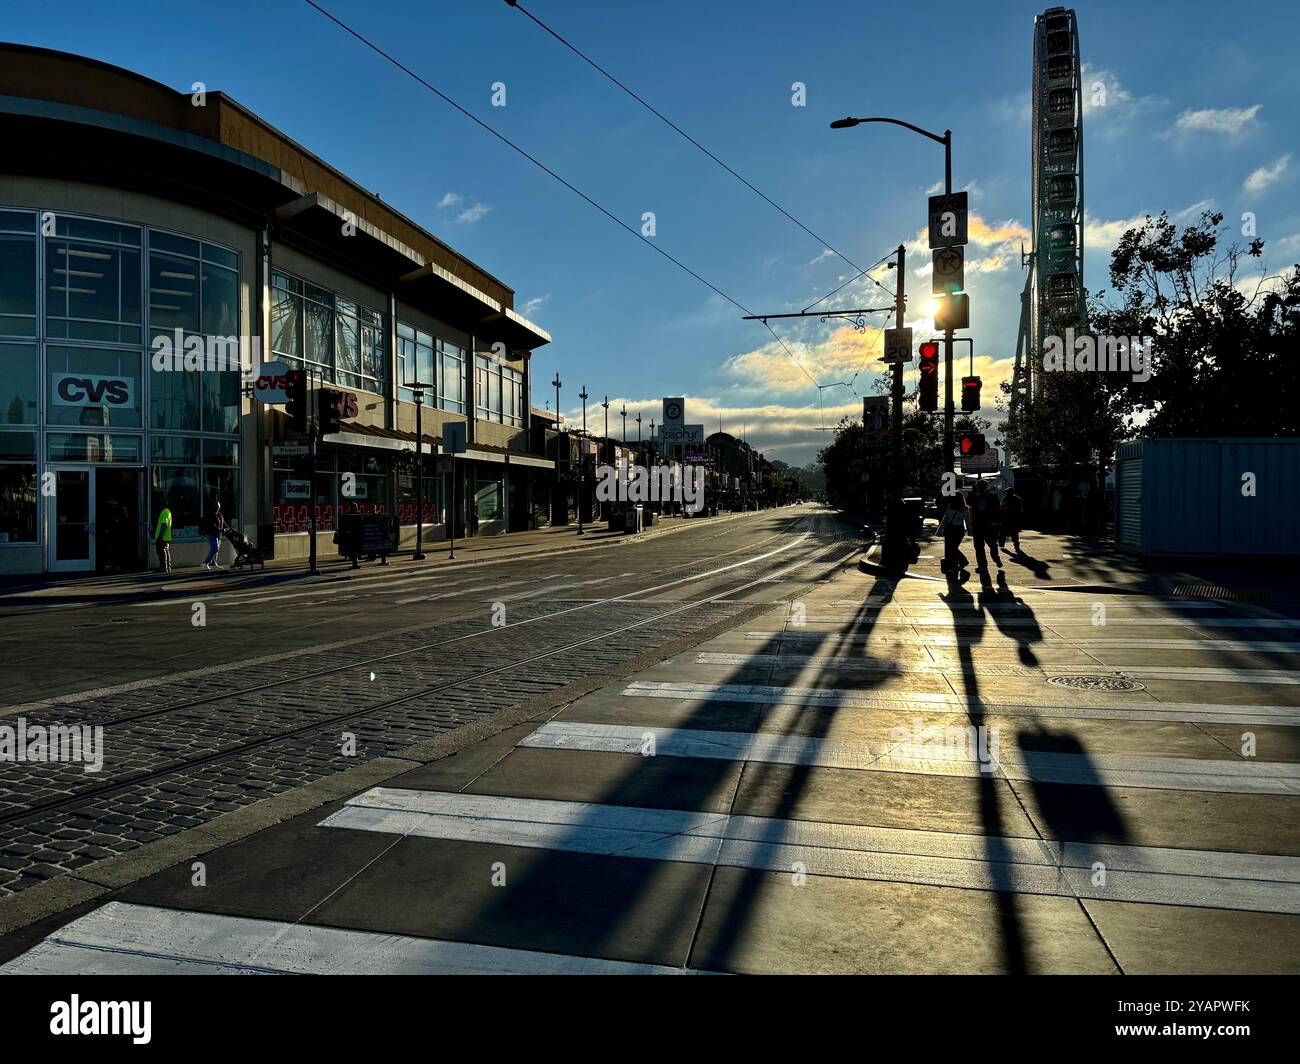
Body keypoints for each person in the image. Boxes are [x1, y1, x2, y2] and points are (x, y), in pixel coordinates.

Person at [968, 480, 1003, 574]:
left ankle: (983, 566)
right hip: (989, 524)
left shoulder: (975, 498)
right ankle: (996, 558)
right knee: (992, 544)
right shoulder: (992, 497)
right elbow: (998, 510)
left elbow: (971, 510)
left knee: (979, 547)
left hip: (978, 525)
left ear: (977, 487)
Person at [937, 493, 969, 579]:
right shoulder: (964, 508)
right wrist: (970, 531)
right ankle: (957, 563)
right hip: (959, 530)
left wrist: (939, 530)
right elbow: (967, 520)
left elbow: (945, 519)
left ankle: (959, 562)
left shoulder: (949, 506)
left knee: (951, 548)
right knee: (952, 548)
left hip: (950, 529)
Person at [199, 501, 227, 570]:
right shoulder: (209, 515)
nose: (217, 508)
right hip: (211, 533)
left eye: (218, 506)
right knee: (215, 548)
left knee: (216, 549)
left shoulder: (219, 514)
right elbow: (212, 525)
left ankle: (213, 563)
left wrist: (228, 528)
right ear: (213, 507)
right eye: (216, 506)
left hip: (218, 534)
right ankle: (205, 563)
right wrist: (220, 530)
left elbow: (223, 522)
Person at [1000, 487, 1023, 554]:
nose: (1006, 493)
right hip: (1014, 519)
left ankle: (1001, 545)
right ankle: (1016, 546)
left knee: (1003, 532)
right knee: (1014, 533)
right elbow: (1020, 510)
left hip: (1007, 518)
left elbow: (1001, 506)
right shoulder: (1017, 499)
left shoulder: (1006, 498)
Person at [153, 498, 173, 573]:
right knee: (166, 551)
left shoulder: (164, 512)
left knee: (162, 552)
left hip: (163, 536)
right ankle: (168, 567)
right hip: (167, 536)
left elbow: (164, 524)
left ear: (162, 505)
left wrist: (160, 535)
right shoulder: (168, 512)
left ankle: (164, 568)